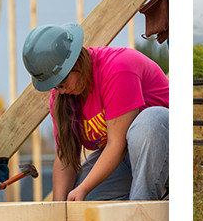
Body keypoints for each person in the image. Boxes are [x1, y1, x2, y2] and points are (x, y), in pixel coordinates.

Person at [22, 23, 170, 201]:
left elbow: (117, 144)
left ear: (75, 62)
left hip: (165, 145)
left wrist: (83, 188)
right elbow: (65, 159)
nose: (60, 91)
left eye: (61, 83)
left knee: (149, 122)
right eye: (55, 86)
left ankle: (142, 211)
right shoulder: (63, 97)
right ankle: (136, 205)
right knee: (82, 202)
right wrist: (60, 210)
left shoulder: (118, 68)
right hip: (127, 157)